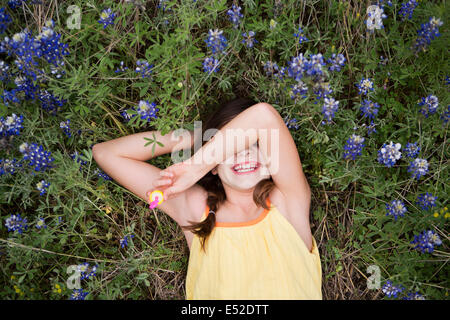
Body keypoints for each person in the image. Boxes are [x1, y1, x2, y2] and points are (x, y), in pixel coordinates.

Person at [92, 97, 322, 299]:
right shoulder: (196, 209)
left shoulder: (288, 201)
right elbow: (106, 154)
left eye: (254, 143)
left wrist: (195, 166)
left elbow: (264, 117)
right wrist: (199, 139)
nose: (243, 153)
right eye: (229, 148)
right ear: (212, 165)